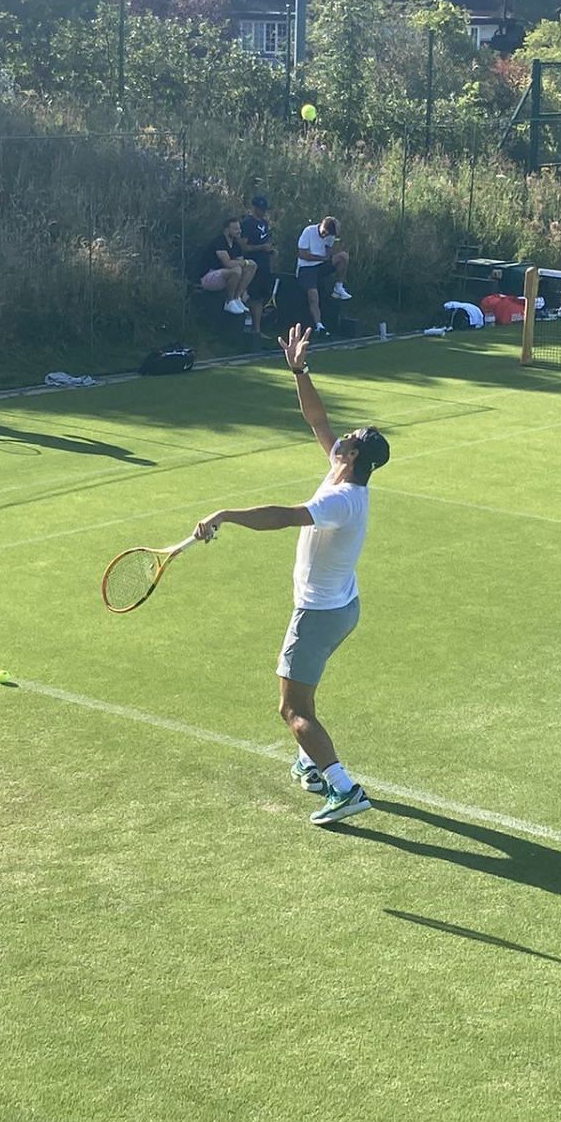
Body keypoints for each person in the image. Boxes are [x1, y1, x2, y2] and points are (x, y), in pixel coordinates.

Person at [195, 323, 389, 827]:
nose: (339, 437)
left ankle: (344, 788)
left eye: (346, 440)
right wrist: (299, 370)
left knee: (292, 709)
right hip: (343, 606)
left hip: (320, 613)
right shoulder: (343, 472)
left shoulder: (339, 499)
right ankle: (309, 764)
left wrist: (226, 514)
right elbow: (316, 417)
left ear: (353, 457)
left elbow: (282, 516)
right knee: (303, 690)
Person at [195, 215, 257, 325]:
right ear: (227, 230)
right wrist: (245, 262)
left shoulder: (236, 245)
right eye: (236, 229)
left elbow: (243, 265)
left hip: (226, 276)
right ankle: (229, 301)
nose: (239, 231)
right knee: (236, 270)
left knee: (252, 266)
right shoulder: (219, 242)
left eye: (239, 228)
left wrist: (247, 264)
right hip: (209, 276)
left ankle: (237, 297)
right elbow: (227, 263)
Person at [296, 214, 352, 334]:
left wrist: (331, 253)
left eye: (329, 235)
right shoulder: (308, 231)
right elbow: (302, 254)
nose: (326, 236)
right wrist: (321, 258)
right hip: (306, 268)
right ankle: (319, 325)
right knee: (313, 295)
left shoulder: (330, 236)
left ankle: (339, 287)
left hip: (321, 265)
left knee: (343, 257)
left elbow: (328, 252)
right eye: (324, 233)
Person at [238, 193, 280, 335]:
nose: (262, 212)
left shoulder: (264, 223)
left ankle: (257, 329)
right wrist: (261, 248)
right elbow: (243, 247)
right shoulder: (247, 223)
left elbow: (265, 242)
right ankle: (247, 327)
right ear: (254, 207)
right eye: (260, 208)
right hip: (252, 264)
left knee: (260, 296)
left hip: (264, 265)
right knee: (252, 295)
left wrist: (271, 251)